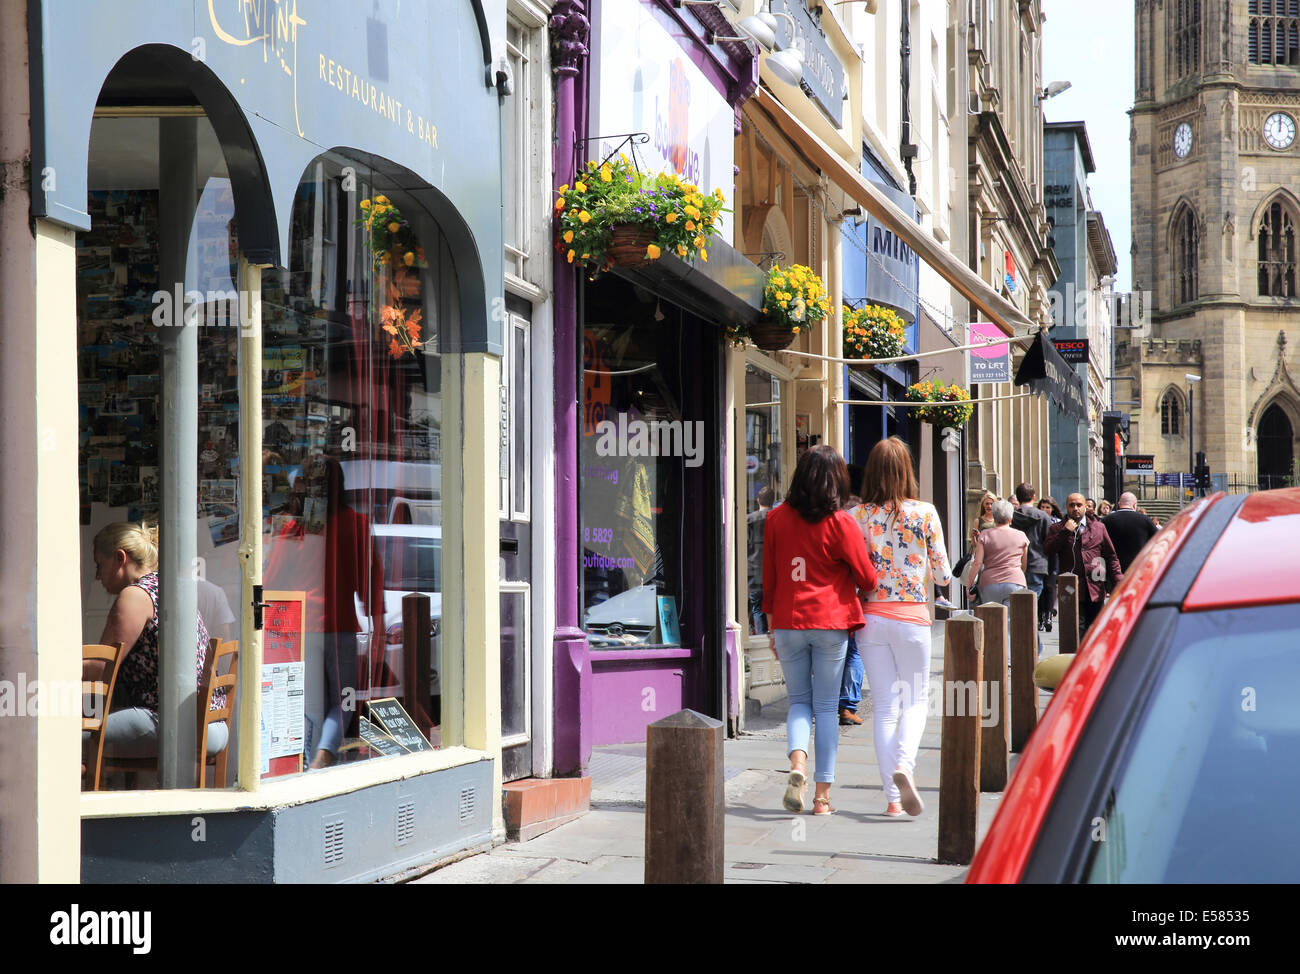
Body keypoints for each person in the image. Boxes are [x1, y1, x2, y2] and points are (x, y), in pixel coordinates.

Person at [763, 445, 877, 816]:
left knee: (799, 702)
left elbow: (769, 579)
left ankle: (797, 763)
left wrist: (771, 625)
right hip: (830, 621)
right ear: (837, 480)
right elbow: (867, 578)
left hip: (788, 620)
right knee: (827, 708)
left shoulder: (776, 518)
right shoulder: (842, 522)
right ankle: (822, 798)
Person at [852, 437, 952, 818]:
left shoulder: (856, 516)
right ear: (908, 471)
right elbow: (943, 575)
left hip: (871, 618)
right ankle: (904, 766)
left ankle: (892, 800)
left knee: (884, 708)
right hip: (912, 617)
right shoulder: (925, 513)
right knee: (915, 699)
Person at [89, 522, 224, 767]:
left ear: (120, 558)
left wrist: (48, 669)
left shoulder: (135, 596)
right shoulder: (167, 586)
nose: (97, 576)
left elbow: (102, 669)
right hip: (210, 722)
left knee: (56, 737)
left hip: (176, 723)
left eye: (99, 565)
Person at [1045, 492, 1123, 636]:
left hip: (1095, 587)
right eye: (1072, 505)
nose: (1075, 508)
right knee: (1075, 631)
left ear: (1085, 507)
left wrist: (1118, 580)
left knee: (1096, 631)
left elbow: (1111, 556)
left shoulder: (1098, 527)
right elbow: (1048, 550)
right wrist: (1065, 532)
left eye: (1079, 505)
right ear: (1066, 507)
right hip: (1071, 588)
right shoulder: (1057, 528)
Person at [967, 500, 1029, 607]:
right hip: (1015, 582)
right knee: (1012, 616)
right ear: (1011, 519)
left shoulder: (985, 535)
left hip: (990, 583)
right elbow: (1023, 565)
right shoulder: (1021, 536)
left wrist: (969, 585)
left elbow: (977, 563)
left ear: (994, 518)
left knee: (991, 616)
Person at [1011, 482, 1051, 605]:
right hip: (1037, 564)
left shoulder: (1011, 516)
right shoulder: (1043, 516)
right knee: (1031, 605)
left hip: (1015, 565)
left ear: (1017, 498)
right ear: (1034, 497)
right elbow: (1048, 542)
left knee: (1017, 605)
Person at [1102, 491, 1159, 573]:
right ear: (1135, 505)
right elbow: (1158, 541)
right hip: (1137, 569)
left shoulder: (1106, 520)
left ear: (1119, 504)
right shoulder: (1145, 520)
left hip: (1112, 569)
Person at [1037, 496, 1062, 631]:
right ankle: (1040, 617)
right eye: (1042, 507)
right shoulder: (1037, 520)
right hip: (1040, 557)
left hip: (1053, 558)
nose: (1045, 509)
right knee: (1041, 587)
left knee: (1050, 587)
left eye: (1047, 507)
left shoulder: (1057, 522)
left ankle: (1048, 616)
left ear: (1052, 509)